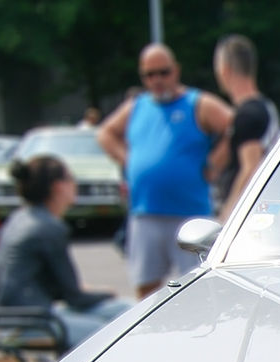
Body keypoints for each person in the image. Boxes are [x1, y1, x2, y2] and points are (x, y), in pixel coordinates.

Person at [97, 44, 232, 298]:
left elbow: (233, 125)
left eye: (163, 72)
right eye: (149, 75)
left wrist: (216, 162)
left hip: (189, 214)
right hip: (146, 212)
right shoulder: (137, 106)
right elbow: (105, 133)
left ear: (176, 71)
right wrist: (128, 159)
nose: (157, 80)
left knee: (197, 287)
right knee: (146, 287)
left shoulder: (196, 102)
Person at [0, 155, 132, 348]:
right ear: (58, 186)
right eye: (71, 178)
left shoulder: (19, 218)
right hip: (33, 323)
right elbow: (75, 297)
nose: (75, 184)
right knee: (113, 334)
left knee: (124, 311)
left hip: (15, 317)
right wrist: (107, 293)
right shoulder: (49, 228)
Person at [212, 34, 280, 220]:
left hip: (244, 214)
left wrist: (227, 218)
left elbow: (250, 167)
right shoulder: (266, 107)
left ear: (224, 70)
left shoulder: (247, 115)